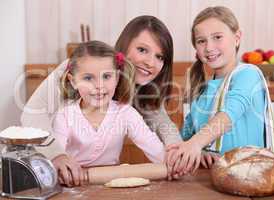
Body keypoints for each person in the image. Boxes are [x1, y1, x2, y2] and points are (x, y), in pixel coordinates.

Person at [21, 16, 182, 181]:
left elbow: (162, 123)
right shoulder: (80, 66)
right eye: (142, 50)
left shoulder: (143, 90)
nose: (150, 62)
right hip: (56, 169)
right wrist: (56, 154)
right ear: (124, 46)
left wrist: (176, 152)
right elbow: (33, 113)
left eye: (160, 57)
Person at [166, 6, 274, 177]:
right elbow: (187, 136)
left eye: (217, 37)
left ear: (237, 37)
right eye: (201, 41)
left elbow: (228, 115)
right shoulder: (200, 91)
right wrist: (201, 149)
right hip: (214, 179)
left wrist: (196, 143)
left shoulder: (248, 74)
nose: (209, 47)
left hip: (251, 176)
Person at [52, 40, 165, 186]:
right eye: (88, 78)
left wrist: (178, 161)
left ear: (117, 78)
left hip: (111, 186)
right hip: (74, 185)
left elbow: (157, 151)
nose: (99, 86)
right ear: (73, 81)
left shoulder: (125, 113)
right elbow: (57, 158)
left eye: (106, 77)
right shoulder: (64, 116)